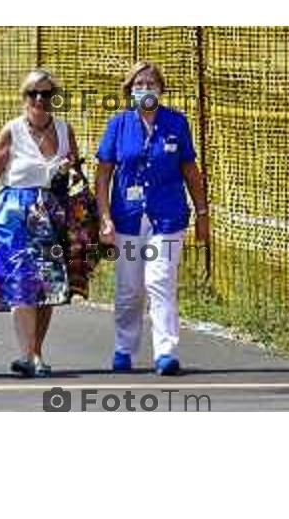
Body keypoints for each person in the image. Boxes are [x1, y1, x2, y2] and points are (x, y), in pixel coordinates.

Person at [95, 60, 209, 376]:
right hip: (128, 219)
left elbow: (190, 170)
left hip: (168, 217)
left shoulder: (176, 123)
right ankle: (124, 348)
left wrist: (202, 213)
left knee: (160, 281)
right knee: (130, 288)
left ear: (161, 89)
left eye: (151, 84)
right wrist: (104, 216)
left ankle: (166, 352)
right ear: (129, 91)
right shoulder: (118, 125)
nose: (145, 89)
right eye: (139, 85)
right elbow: (103, 175)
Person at [0, 69, 80, 378]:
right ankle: (27, 354)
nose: (40, 100)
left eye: (46, 94)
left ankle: (35, 352)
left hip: (53, 213)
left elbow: (75, 176)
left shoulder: (64, 130)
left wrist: (69, 173)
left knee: (49, 288)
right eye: (33, 94)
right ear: (24, 98)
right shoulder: (12, 131)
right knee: (22, 282)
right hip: (14, 215)